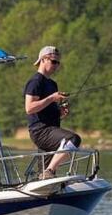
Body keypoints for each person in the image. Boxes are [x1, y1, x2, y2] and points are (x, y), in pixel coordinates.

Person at [24, 46, 81, 179]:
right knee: (73, 139)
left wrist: (60, 112)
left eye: (58, 63)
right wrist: (51, 98)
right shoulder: (35, 82)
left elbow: (47, 108)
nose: (56, 65)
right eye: (54, 61)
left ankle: (45, 177)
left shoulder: (52, 84)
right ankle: (50, 170)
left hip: (51, 129)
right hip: (41, 131)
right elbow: (29, 108)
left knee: (42, 177)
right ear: (43, 60)